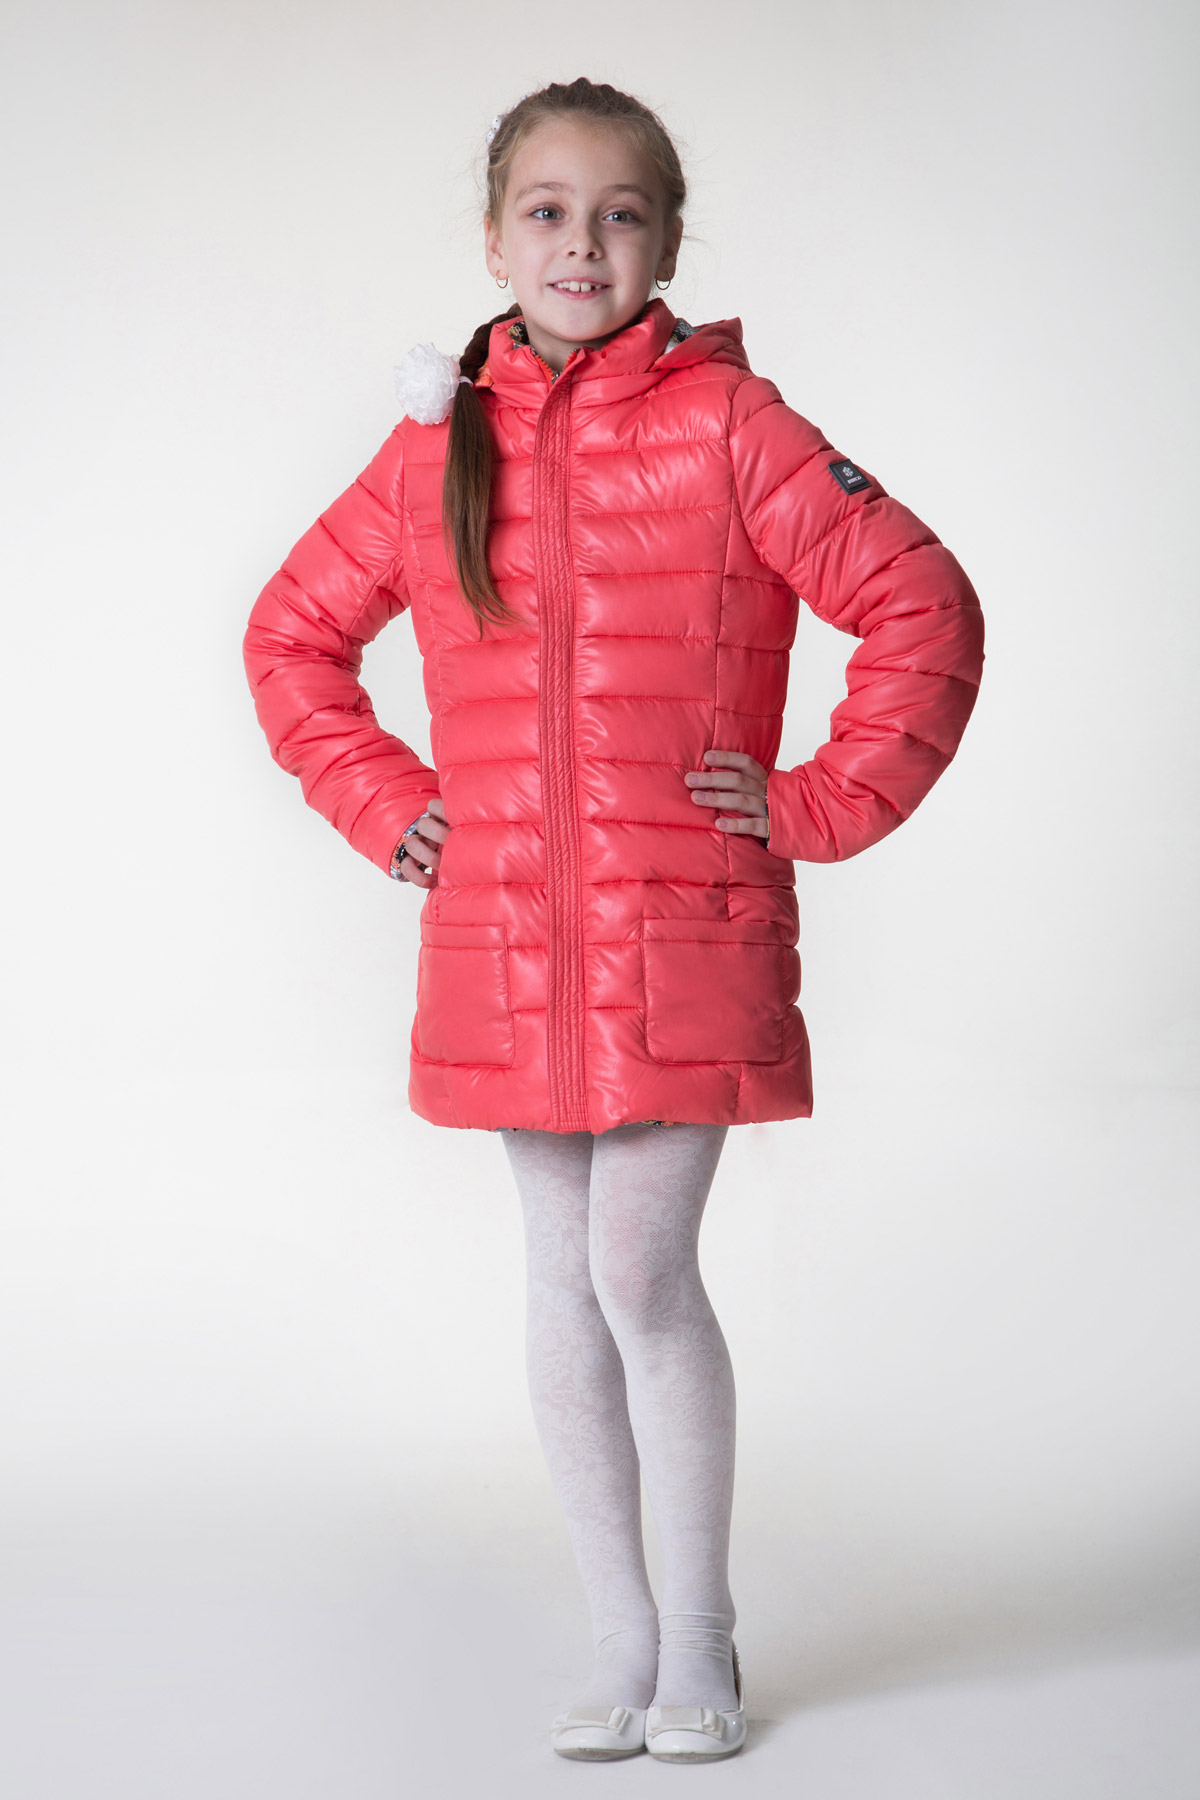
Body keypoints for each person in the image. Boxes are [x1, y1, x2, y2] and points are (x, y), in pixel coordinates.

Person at [243, 77, 985, 1764]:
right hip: (507, 939)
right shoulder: (435, 448)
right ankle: (621, 1637)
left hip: (683, 927)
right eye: (550, 211)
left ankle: (700, 1636)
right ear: (495, 238)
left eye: (621, 213)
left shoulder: (732, 426)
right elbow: (290, 638)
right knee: (562, 1283)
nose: (583, 243)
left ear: (668, 237)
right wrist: (386, 802)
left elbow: (921, 602)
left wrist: (813, 801)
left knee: (638, 1266)